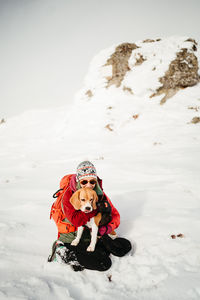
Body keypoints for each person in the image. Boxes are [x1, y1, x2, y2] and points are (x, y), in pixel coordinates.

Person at [50, 161, 132, 271]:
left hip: (90, 234)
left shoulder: (96, 193)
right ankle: (63, 253)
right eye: (84, 182)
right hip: (71, 236)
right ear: (79, 181)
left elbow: (115, 215)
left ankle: (86, 255)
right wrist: (94, 208)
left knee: (124, 246)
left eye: (92, 181)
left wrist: (107, 228)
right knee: (103, 263)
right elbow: (76, 221)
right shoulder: (69, 196)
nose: (89, 185)